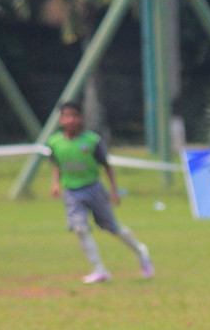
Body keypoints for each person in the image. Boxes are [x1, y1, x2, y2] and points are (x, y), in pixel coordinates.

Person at [47, 101, 153, 284]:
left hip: (93, 188)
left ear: (80, 118)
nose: (70, 120)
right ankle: (100, 270)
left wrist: (114, 191)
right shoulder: (54, 142)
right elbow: (56, 163)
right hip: (71, 191)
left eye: (74, 115)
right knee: (80, 229)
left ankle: (140, 251)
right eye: (66, 116)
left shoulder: (91, 141)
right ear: (61, 120)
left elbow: (107, 166)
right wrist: (55, 183)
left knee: (113, 227)